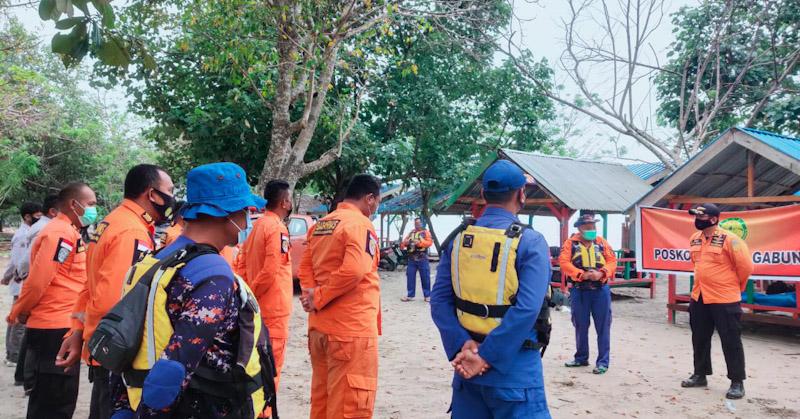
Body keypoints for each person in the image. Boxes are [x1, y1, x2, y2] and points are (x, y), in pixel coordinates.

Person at [109, 162, 274, 418]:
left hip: (137, 396)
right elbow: (176, 366)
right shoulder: (213, 276)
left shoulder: (158, 260)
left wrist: (124, 407)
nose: (248, 220)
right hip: (194, 407)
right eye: (246, 211)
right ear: (227, 213)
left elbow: (129, 340)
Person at [430, 160, 552, 419]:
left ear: (484, 194)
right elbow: (527, 308)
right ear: (521, 194)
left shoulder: (458, 240)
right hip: (514, 371)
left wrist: (463, 346)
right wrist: (487, 357)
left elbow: (440, 301)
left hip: (467, 368)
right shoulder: (531, 241)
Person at [56, 164, 175, 419]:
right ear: (151, 194)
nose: (172, 198)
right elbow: (118, 300)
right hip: (115, 353)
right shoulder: (132, 231)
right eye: (170, 191)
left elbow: (90, 284)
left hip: (102, 347)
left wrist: (78, 331)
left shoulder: (111, 222)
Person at [7, 183, 96, 418]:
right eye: (90, 205)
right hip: (53, 328)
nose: (93, 210)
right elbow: (38, 280)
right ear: (73, 204)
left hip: (63, 325)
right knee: (51, 402)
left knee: (60, 400)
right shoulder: (60, 234)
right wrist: (19, 311)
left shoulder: (69, 232)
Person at [298, 174, 382, 419]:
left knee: (323, 402)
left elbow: (305, 267)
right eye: (376, 202)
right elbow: (355, 269)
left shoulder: (321, 224)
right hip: (350, 331)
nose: (375, 208)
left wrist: (312, 297)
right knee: (349, 406)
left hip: (320, 328)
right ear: (369, 198)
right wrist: (320, 296)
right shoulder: (360, 224)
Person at [681, 203, 753, 400]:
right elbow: (697, 265)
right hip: (699, 296)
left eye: (700, 217)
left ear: (713, 219)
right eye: (695, 216)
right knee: (700, 338)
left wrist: (733, 287)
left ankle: (737, 382)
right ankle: (700, 374)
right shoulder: (694, 239)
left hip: (725, 298)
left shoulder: (731, 240)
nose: (696, 220)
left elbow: (745, 267)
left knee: (731, 341)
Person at [235, 179, 293, 417]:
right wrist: (254, 296)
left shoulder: (258, 225)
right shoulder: (277, 228)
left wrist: (247, 295)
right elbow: (270, 270)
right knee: (271, 365)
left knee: (258, 360)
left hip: (260, 308)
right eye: (290, 198)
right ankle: (265, 412)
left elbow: (241, 264)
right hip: (273, 309)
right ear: (284, 202)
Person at [558, 212, 617, 375]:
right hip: (579, 290)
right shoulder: (570, 243)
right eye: (588, 227)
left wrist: (602, 273)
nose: (592, 230)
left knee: (603, 326)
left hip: (600, 290)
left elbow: (612, 261)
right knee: (580, 325)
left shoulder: (602, 243)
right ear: (580, 229)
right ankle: (581, 357)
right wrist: (580, 274)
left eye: (594, 227)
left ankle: (603, 362)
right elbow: (563, 262)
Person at [14, 195, 58, 388]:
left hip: (35, 285)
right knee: (33, 337)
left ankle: (23, 376)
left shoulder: (43, 227)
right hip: (39, 288)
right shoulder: (48, 229)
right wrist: (23, 274)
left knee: (31, 336)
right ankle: (28, 379)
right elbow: (28, 261)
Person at [2, 202, 42, 367]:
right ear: (27, 217)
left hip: (22, 281)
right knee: (18, 321)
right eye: (38, 216)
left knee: (16, 317)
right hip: (21, 281)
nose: (40, 219)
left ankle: (12, 353)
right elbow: (17, 261)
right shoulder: (22, 236)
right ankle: (14, 355)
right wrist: (9, 276)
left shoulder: (29, 232)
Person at [400, 218, 433, 302]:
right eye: (415, 223)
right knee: (410, 276)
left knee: (425, 276)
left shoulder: (426, 232)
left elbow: (429, 243)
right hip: (411, 258)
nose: (417, 225)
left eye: (418, 223)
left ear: (422, 223)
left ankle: (427, 295)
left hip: (422, 258)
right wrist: (406, 242)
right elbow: (403, 243)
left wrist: (419, 243)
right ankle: (410, 295)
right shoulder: (411, 232)